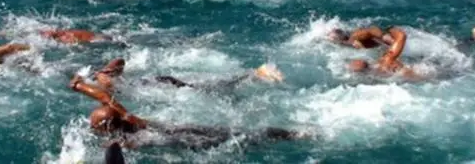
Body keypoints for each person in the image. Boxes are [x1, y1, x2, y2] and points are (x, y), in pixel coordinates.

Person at [69, 75, 305, 150]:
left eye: (94, 125)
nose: (91, 126)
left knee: (236, 139)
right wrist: (81, 86)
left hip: (181, 139)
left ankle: (293, 136)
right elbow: (105, 98)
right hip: (178, 127)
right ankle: (293, 133)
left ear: (107, 128)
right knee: (238, 132)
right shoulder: (130, 118)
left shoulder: (127, 142)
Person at [91, 57, 283, 94]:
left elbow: (118, 62)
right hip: (159, 80)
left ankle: (255, 74)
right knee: (206, 87)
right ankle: (254, 74)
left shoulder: (108, 85)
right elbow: (120, 61)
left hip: (159, 84)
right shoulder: (110, 79)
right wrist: (107, 71)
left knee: (205, 89)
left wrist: (102, 74)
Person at [348, 27, 421, 80]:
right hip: (418, 78)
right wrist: (389, 30)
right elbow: (402, 36)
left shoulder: (375, 73)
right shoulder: (386, 61)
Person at [327, 26, 394, 49]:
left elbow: (371, 30)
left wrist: (384, 37)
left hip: (381, 41)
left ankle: (386, 38)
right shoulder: (347, 43)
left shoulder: (354, 37)